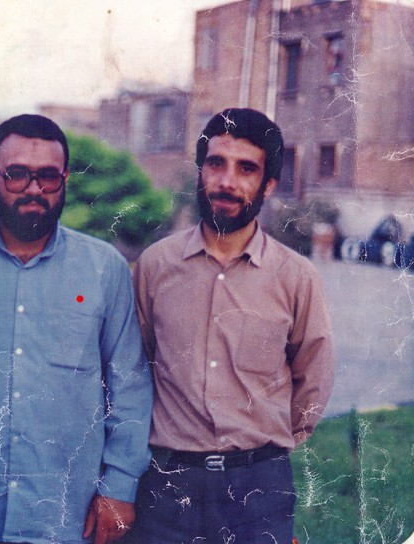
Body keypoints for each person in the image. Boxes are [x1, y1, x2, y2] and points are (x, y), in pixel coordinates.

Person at [0, 114, 153, 544]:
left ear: (65, 179)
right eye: (17, 174)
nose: (33, 188)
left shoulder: (104, 269)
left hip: (66, 516)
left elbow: (129, 387)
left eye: (48, 176)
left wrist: (119, 487)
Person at [129, 108, 335, 543]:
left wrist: (262, 449)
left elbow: (313, 380)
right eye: (216, 164)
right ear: (200, 171)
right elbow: (135, 366)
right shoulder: (155, 266)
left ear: (268, 184)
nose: (227, 181)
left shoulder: (295, 277)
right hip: (169, 485)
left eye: (246, 169)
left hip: (258, 488)